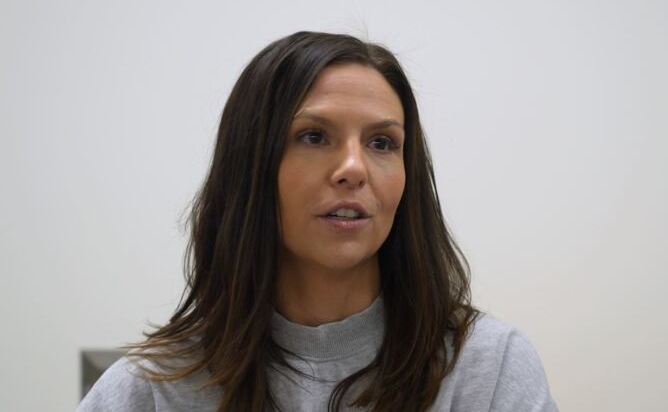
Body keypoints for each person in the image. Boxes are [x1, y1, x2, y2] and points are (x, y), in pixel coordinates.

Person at [77, 31, 559, 412]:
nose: (354, 168)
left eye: (382, 143)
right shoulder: (153, 388)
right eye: (313, 136)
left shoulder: (489, 367)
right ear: (251, 167)